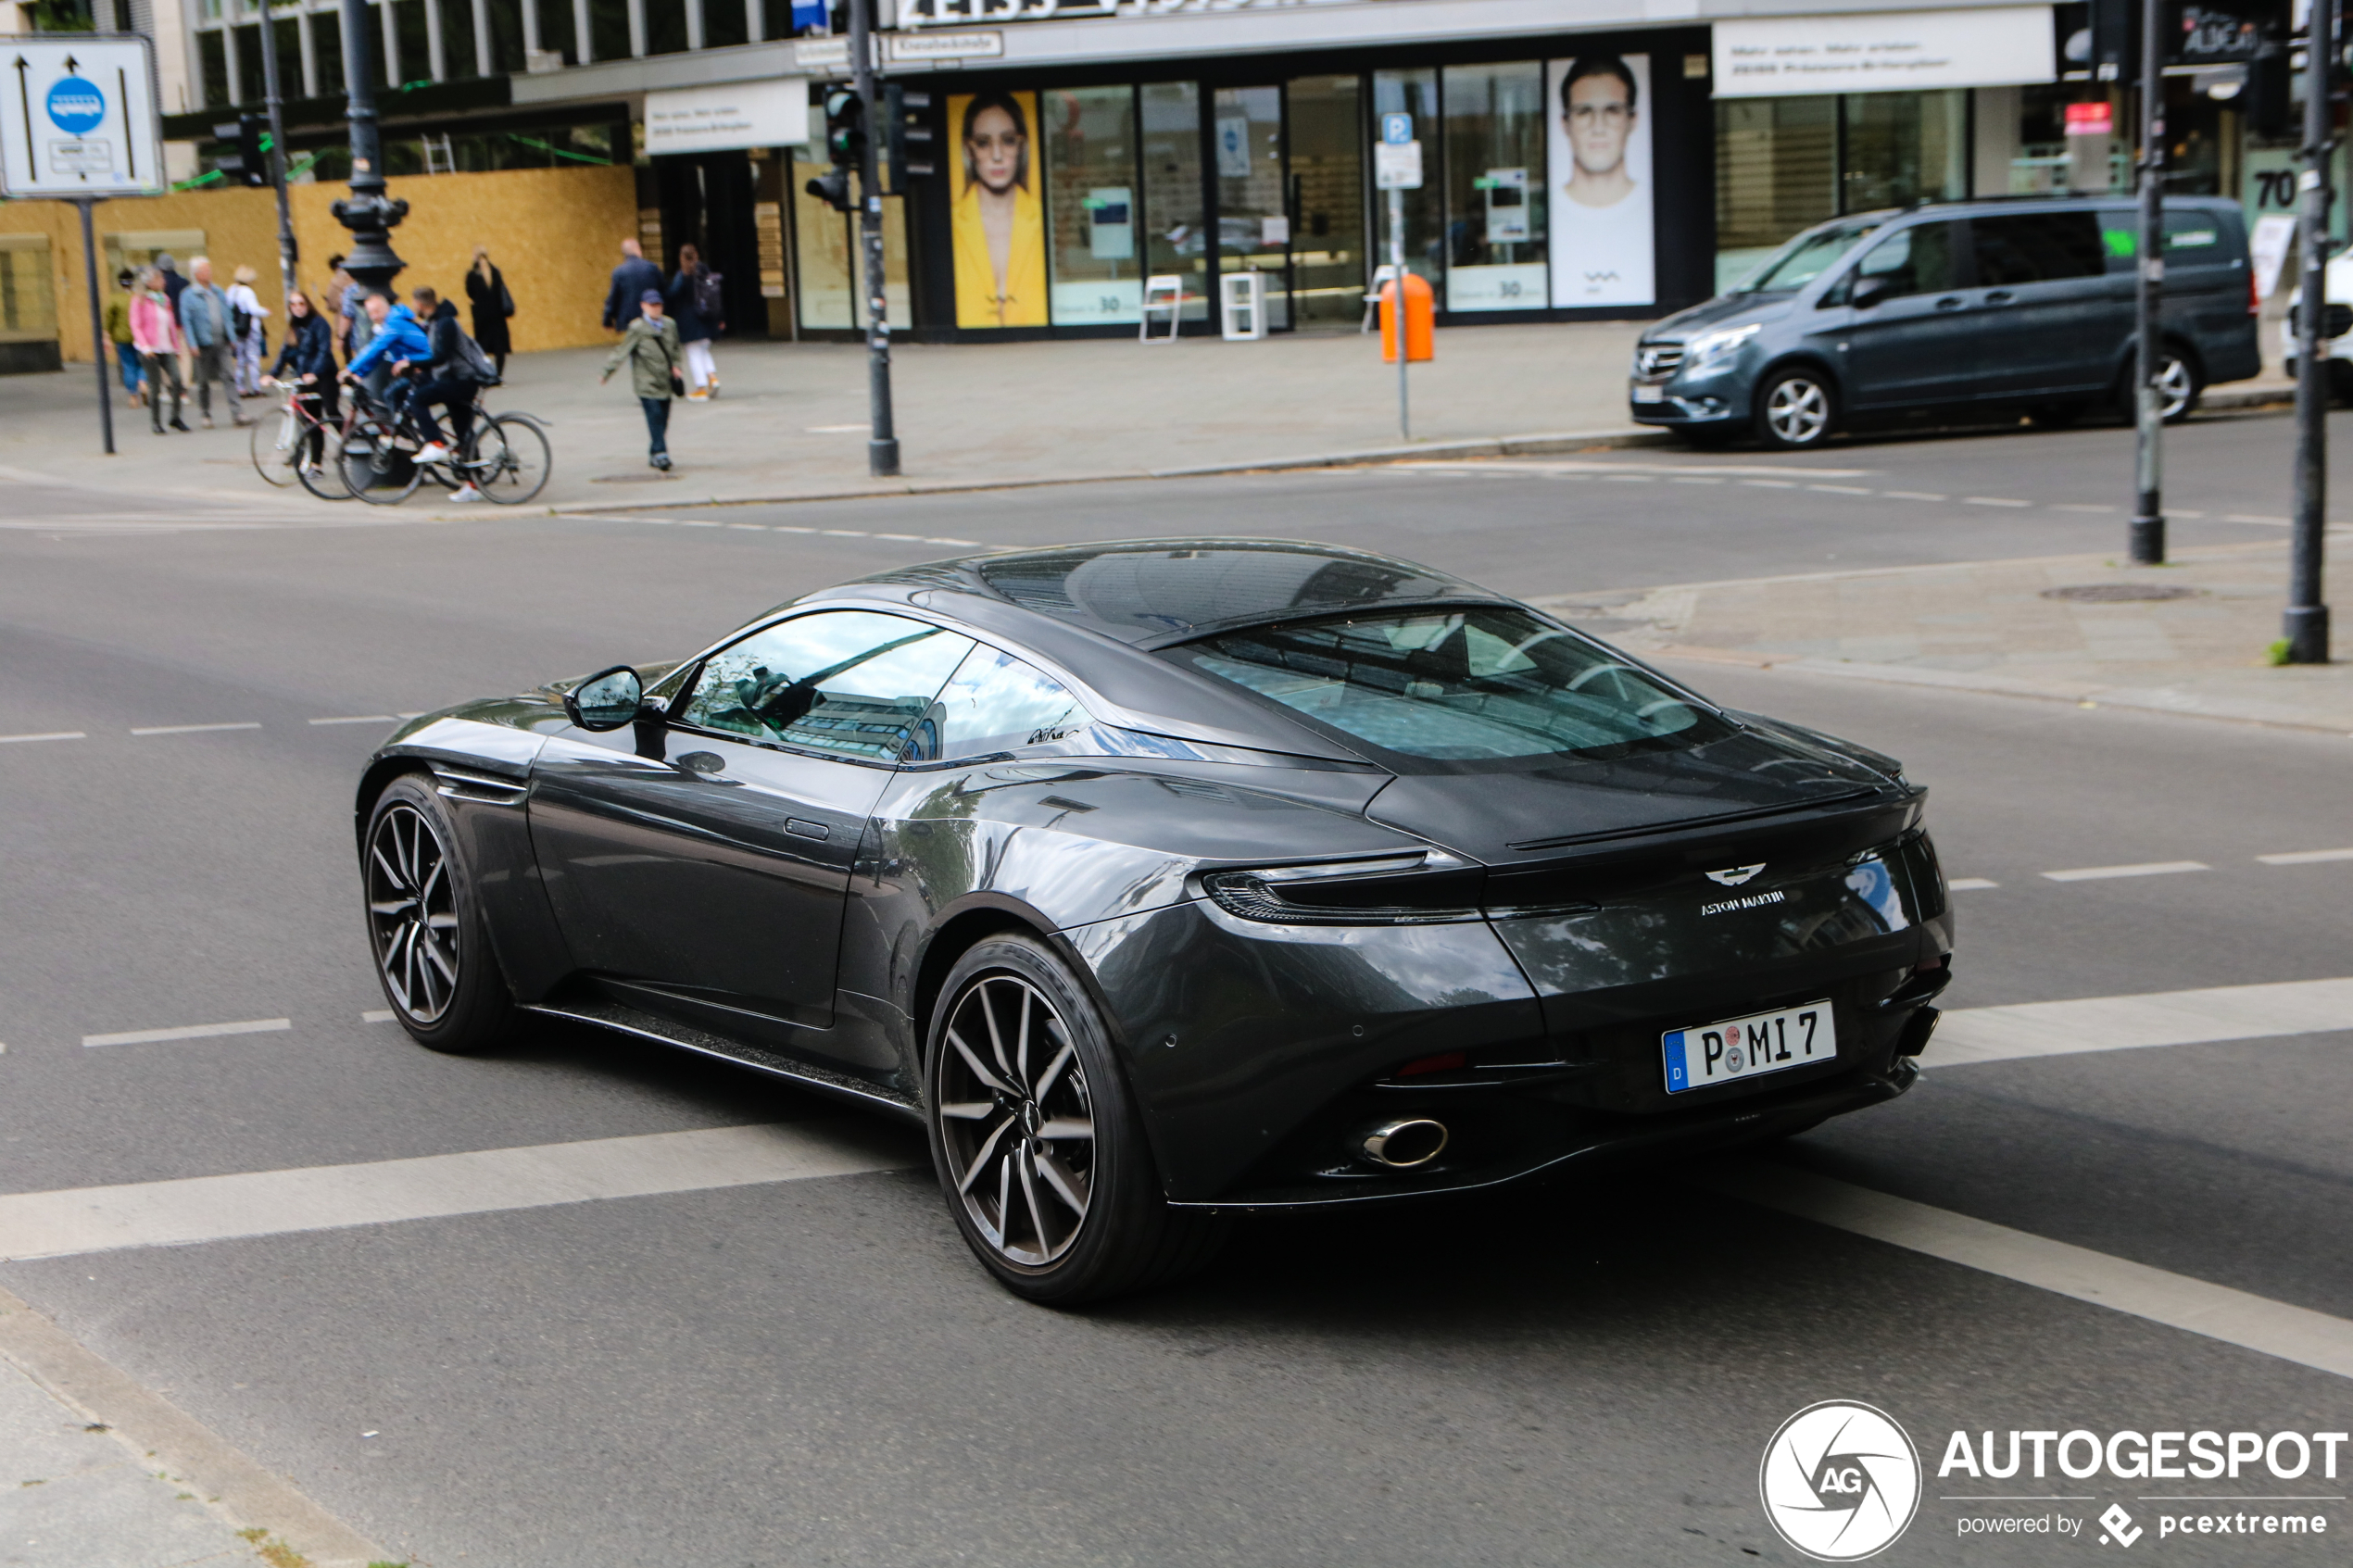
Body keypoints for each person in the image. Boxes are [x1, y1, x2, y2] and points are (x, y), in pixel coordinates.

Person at [1551, 56, 1655, 308]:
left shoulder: (1654, 204)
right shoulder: (1551, 205)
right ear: (1565, 123)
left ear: (1633, 120)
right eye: (1584, 112)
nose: (1598, 127)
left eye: (1612, 111)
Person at [951, 92, 1047, 328]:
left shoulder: (1043, 217)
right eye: (983, 143)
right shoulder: (951, 221)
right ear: (969, 149)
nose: (997, 156)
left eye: (1008, 140)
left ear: (1022, 144)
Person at [402, 285, 485, 501]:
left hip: (461, 381)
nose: (414, 308)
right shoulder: (437, 321)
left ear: (420, 304)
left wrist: (411, 363)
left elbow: (441, 357)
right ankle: (474, 485)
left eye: (414, 304)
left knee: (417, 399)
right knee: (463, 431)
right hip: (456, 380)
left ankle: (436, 443)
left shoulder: (445, 322)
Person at [601, 288, 681, 471]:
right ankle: (661, 454)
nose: (655, 308)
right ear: (643, 306)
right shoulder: (637, 328)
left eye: (658, 305)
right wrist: (607, 372)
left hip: (665, 381)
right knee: (654, 417)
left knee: (663, 419)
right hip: (646, 382)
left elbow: (676, 349)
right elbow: (622, 351)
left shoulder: (670, 325)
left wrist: (677, 366)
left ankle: (654, 452)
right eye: (652, 305)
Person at [268, 287, 339, 474]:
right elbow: (284, 354)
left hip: (324, 375)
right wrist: (272, 374)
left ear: (307, 304)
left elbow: (324, 350)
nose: (298, 308)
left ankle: (353, 440)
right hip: (304, 378)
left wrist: (314, 372)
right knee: (311, 421)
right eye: (293, 304)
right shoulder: (293, 328)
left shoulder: (319, 323)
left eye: (301, 303)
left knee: (331, 411)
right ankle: (316, 465)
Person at [177, 256, 245, 428]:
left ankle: (237, 413)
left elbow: (227, 316)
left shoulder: (218, 291)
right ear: (196, 274)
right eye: (206, 270)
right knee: (203, 381)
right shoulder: (188, 295)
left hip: (221, 341)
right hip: (202, 343)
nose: (210, 273)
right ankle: (205, 414)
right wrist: (192, 343)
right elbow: (187, 322)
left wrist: (232, 336)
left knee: (229, 376)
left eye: (209, 269)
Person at [130, 268, 188, 434]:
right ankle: (156, 422)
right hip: (150, 349)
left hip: (167, 347)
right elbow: (136, 325)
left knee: (177, 381)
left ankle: (175, 417)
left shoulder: (165, 300)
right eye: (160, 279)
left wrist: (176, 348)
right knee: (155, 386)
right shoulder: (140, 300)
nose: (164, 281)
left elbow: (170, 325)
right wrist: (145, 347)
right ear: (150, 282)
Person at [668, 242, 723, 400]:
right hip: (707, 316)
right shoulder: (704, 270)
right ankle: (713, 378)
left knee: (693, 353)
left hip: (689, 319)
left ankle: (701, 388)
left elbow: (673, 293)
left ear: (681, 257)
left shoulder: (682, 275)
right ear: (697, 254)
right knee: (704, 350)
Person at [463, 246, 514, 377]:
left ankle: (485, 372)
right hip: (498, 315)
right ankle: (499, 374)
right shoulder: (496, 271)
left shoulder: (472, 274)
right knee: (499, 346)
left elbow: (470, 292)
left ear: (475, 256)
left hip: (481, 315)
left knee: (482, 346)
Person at [225, 263, 271, 396]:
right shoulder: (247, 291)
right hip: (250, 329)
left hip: (237, 328)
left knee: (239, 359)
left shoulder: (232, 290)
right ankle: (256, 387)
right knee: (253, 358)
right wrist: (266, 311)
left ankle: (240, 388)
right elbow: (253, 309)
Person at [601, 238, 663, 332]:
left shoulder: (619, 272)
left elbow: (614, 298)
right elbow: (664, 290)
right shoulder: (652, 268)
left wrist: (607, 320)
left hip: (627, 322)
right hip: (650, 320)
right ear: (638, 249)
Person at [103, 268, 144, 408]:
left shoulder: (115, 299)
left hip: (122, 338)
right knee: (142, 363)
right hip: (140, 337)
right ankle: (143, 383)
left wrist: (107, 335)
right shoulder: (138, 297)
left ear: (120, 283)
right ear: (133, 282)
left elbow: (108, 319)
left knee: (128, 365)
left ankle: (133, 395)